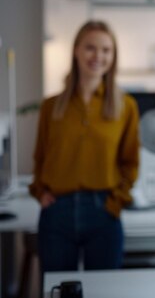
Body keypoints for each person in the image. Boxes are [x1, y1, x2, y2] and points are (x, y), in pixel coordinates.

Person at [29, 20, 140, 272]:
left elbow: (130, 162)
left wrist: (116, 202)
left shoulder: (126, 107)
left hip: (103, 212)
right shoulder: (51, 106)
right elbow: (40, 156)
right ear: (76, 50)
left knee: (103, 291)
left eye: (106, 50)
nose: (98, 56)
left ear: (113, 56)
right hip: (57, 212)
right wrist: (39, 192)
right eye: (90, 47)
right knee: (57, 290)